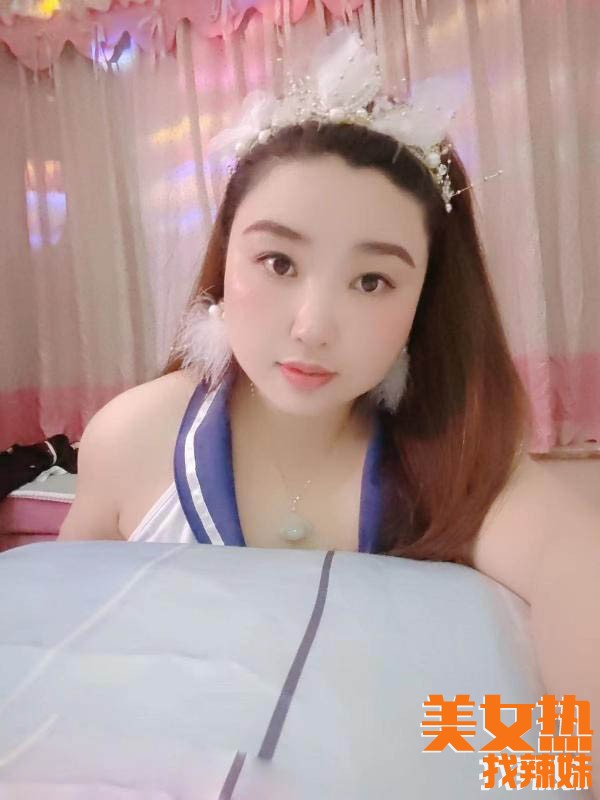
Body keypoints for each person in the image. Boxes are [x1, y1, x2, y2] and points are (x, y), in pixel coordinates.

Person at [57, 31, 599, 774]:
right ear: (224, 261)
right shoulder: (132, 438)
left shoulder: (452, 458)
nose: (313, 327)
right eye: (278, 262)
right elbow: (62, 641)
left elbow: (578, 569)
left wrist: (567, 766)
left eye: (372, 281)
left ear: (425, 302)